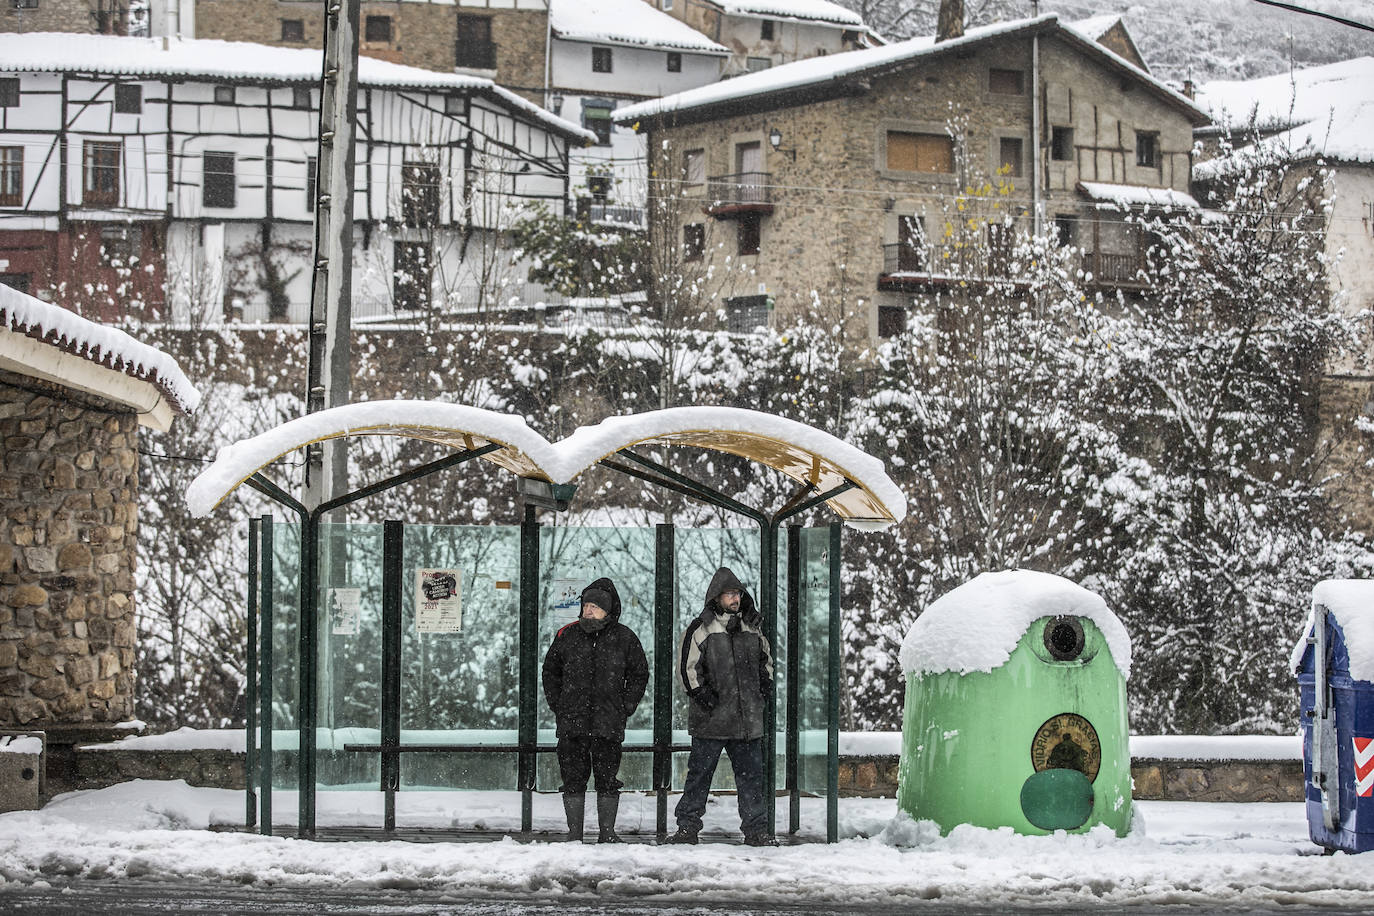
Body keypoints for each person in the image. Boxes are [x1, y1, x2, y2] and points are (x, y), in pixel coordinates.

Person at [669, 566, 778, 846]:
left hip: (745, 720)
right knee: (699, 777)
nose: (735, 598)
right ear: (716, 597)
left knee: (751, 780)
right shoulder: (700, 628)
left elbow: (765, 662)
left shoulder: (752, 627)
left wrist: (764, 685)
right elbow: (686, 669)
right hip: (712, 719)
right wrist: (702, 695)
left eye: (737, 593)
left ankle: (756, 831)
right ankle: (687, 827)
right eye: (729, 593)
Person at [542, 577, 649, 843]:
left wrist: (626, 706)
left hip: (608, 723)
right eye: (586, 605)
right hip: (572, 723)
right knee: (572, 778)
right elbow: (550, 672)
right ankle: (574, 833)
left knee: (607, 779)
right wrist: (559, 704)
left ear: (608, 610)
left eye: (595, 606)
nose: (588, 610)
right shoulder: (567, 635)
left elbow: (639, 674)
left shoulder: (625, 638)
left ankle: (607, 833)